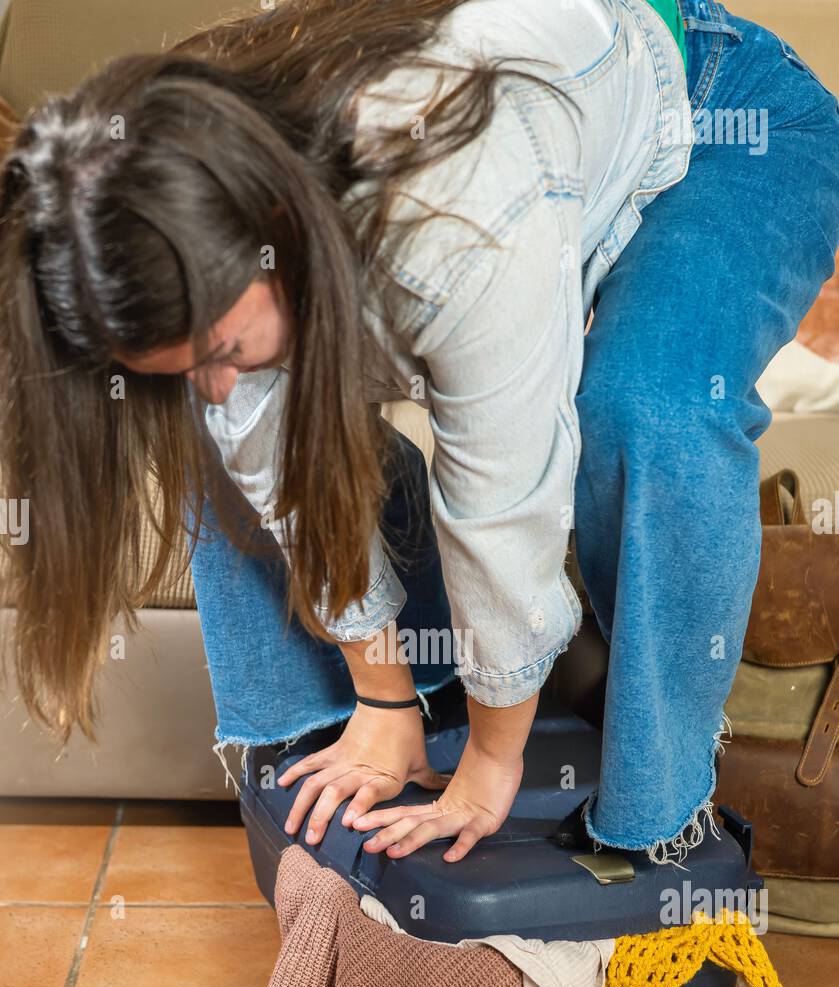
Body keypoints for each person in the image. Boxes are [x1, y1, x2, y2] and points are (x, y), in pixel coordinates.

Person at [1, 0, 838, 866]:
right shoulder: (175, 193)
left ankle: (655, 836)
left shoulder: (456, 211)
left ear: (276, 235)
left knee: (647, 404)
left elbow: (501, 504)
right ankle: (387, 743)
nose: (213, 384)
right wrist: (382, 698)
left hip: (724, 113)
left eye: (220, 348)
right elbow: (264, 448)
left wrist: (488, 763)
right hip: (532, 148)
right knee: (221, 422)